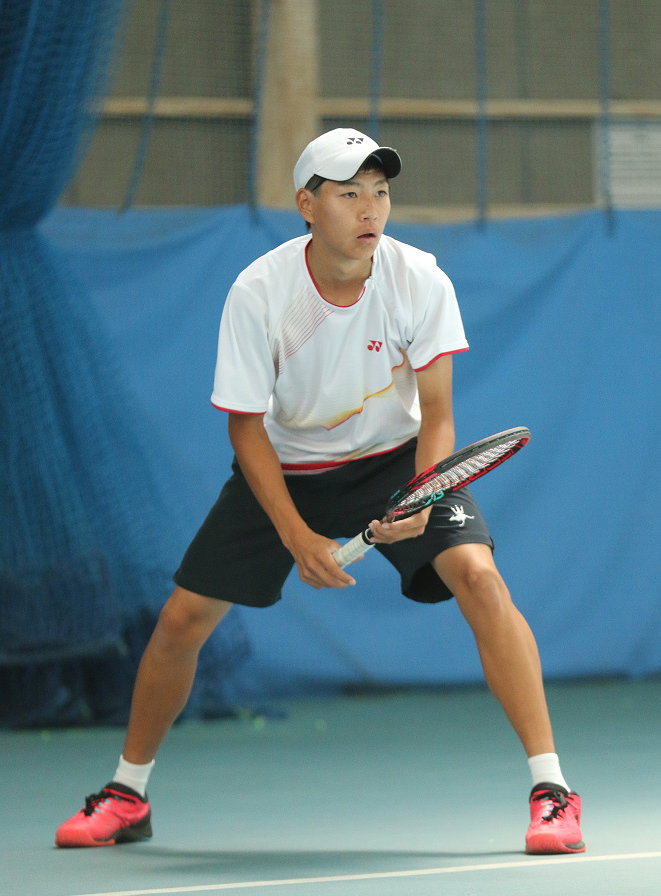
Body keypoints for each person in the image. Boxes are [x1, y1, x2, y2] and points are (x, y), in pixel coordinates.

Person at [56, 128, 584, 855]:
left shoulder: (419, 279)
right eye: (349, 194)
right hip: (288, 469)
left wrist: (424, 496)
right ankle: (127, 794)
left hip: (395, 464)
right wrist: (295, 534)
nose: (370, 209)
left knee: (480, 579)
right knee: (181, 619)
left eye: (381, 193)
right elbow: (245, 429)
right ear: (306, 204)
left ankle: (552, 792)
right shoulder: (259, 293)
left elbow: (437, 414)